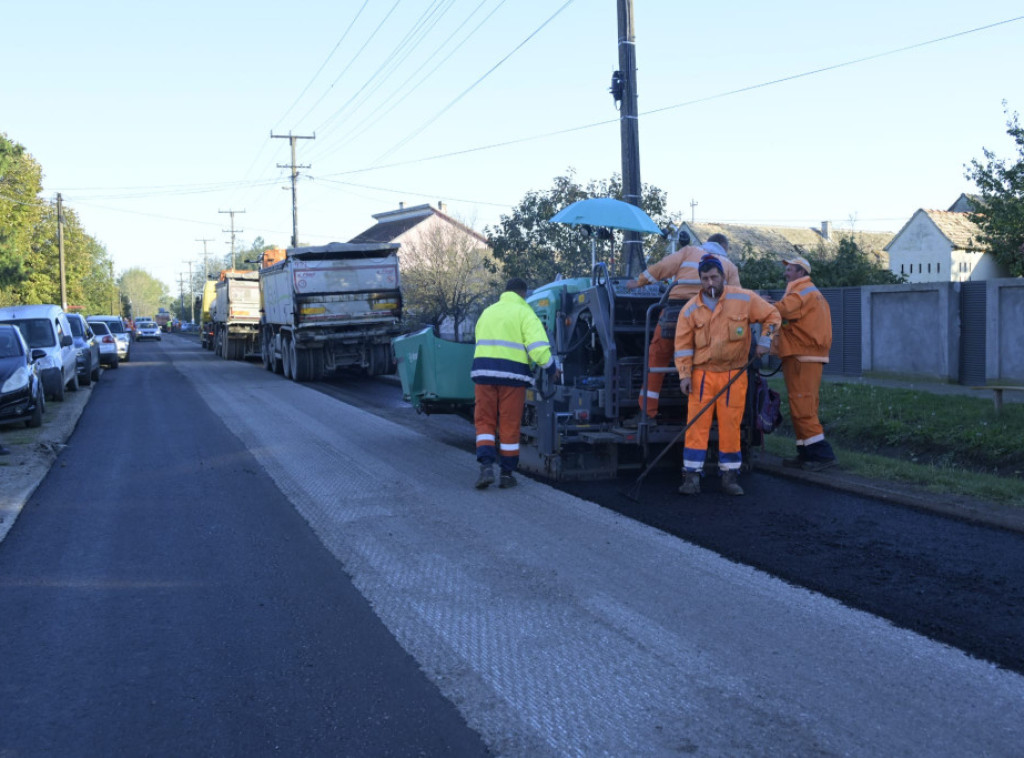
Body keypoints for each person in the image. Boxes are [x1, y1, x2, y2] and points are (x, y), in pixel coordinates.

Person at [674, 255, 781, 496]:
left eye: (714, 277)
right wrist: (684, 375)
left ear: (723, 276)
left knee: (730, 426)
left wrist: (765, 341)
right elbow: (682, 346)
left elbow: (773, 315)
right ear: (700, 280)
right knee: (696, 427)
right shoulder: (690, 310)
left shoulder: (743, 298)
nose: (710, 282)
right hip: (702, 376)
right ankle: (691, 478)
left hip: (734, 375)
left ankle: (730, 478)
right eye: (705, 279)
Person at [623, 234, 740, 425]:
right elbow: (737, 298)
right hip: (707, 317)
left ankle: (647, 413)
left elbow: (663, 267)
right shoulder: (729, 266)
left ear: (707, 242)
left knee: (658, 357)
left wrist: (640, 281)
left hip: (675, 314)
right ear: (724, 247)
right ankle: (709, 413)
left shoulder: (689, 251)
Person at [471, 278, 559, 489]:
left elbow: (478, 341)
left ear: (506, 292)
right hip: (513, 378)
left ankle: (486, 467)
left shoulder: (487, 312)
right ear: (524, 294)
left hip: (484, 374)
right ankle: (506, 474)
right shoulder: (525, 313)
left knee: (485, 422)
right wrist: (552, 369)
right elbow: (538, 348)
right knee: (509, 424)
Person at [772, 255, 837, 471]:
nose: (786, 273)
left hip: (802, 355)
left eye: (790, 269)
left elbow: (781, 311)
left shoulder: (801, 292)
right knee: (801, 404)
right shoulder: (808, 292)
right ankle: (805, 453)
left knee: (802, 405)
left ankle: (822, 455)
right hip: (803, 355)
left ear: (801, 272)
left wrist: (759, 303)